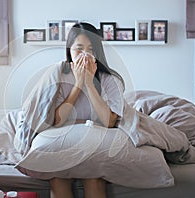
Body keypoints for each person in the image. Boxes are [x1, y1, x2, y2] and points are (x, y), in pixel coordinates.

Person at [49, 22, 125, 198]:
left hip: (97, 139)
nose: (85, 55)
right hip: (66, 140)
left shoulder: (110, 80)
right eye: (79, 49)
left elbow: (109, 122)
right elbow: (57, 121)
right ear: (69, 51)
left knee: (93, 178)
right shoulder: (59, 77)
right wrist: (78, 85)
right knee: (57, 178)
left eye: (90, 49)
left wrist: (90, 84)